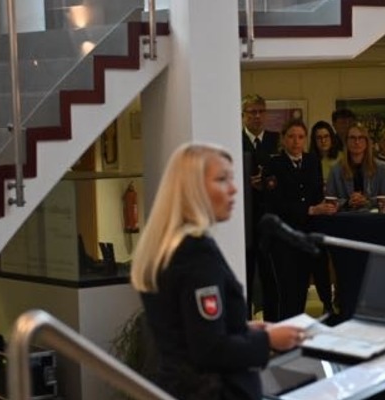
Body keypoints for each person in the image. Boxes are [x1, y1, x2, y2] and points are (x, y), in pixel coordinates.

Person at [130, 143, 305, 400]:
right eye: (222, 180)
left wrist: (242, 327)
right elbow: (209, 349)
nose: (234, 189)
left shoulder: (169, 246)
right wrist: (268, 340)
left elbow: (189, 328)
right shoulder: (195, 252)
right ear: (193, 188)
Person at [262, 120, 338, 321]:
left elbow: (315, 194)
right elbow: (275, 203)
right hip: (284, 237)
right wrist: (310, 209)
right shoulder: (274, 164)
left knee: (304, 288)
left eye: (301, 137)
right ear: (283, 139)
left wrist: (327, 205)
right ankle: (286, 339)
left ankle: (301, 335)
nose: (296, 142)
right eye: (291, 137)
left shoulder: (312, 161)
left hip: (308, 235)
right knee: (289, 293)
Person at [241, 94, 281, 314]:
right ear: (243, 116)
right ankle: (244, 321)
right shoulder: (234, 139)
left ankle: (273, 323)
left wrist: (267, 184)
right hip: (244, 218)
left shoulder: (276, 140)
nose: (257, 116)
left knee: (270, 274)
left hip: (270, 216)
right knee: (244, 273)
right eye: (252, 112)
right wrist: (247, 183)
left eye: (260, 111)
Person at [306, 120, 342, 313]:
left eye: (326, 136)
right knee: (319, 263)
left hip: (339, 217)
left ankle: (340, 300)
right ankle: (326, 303)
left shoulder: (342, 158)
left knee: (340, 261)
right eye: (318, 138)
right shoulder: (309, 160)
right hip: (317, 218)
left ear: (332, 138)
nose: (323, 141)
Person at [326, 122, 385, 210]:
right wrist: (347, 202)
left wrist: (367, 201)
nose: (357, 142)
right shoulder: (336, 170)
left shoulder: (380, 168)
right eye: (352, 138)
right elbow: (329, 200)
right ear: (346, 142)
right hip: (345, 219)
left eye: (360, 138)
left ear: (366, 142)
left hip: (373, 219)